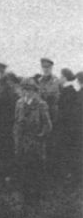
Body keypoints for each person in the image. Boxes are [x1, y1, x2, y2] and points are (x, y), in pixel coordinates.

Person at [13, 79, 52, 208]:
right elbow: (16, 123)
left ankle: (37, 198)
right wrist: (16, 139)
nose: (26, 93)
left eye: (29, 90)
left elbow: (47, 125)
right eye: (24, 90)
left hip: (35, 144)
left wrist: (40, 137)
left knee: (36, 170)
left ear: (35, 91)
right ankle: (24, 197)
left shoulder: (41, 104)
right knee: (23, 169)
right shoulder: (19, 103)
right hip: (21, 143)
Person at [56, 68, 82, 182]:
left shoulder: (67, 91)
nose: (59, 79)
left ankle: (71, 175)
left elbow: (66, 111)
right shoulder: (72, 91)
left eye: (61, 76)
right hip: (71, 126)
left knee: (69, 150)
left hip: (68, 127)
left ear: (65, 77)